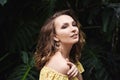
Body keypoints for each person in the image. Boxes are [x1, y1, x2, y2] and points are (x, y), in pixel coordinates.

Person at [34, 9, 85, 80]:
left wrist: (78, 74)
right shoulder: (62, 65)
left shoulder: (69, 59)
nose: (74, 29)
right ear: (55, 36)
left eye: (74, 24)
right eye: (64, 27)